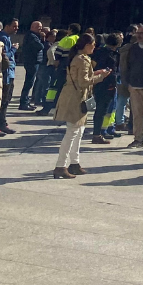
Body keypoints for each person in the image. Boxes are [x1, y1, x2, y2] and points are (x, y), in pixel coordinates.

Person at [52, 34, 111, 179]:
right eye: (92, 44)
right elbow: (84, 82)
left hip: (74, 96)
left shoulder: (78, 57)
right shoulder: (82, 60)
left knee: (78, 131)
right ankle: (61, 165)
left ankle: (74, 163)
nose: (94, 47)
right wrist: (101, 77)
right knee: (72, 132)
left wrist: (95, 73)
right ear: (86, 45)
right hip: (76, 98)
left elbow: (80, 77)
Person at [39, 23, 80, 117]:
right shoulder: (79, 40)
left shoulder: (66, 39)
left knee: (54, 88)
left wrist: (56, 64)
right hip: (73, 68)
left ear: (70, 29)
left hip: (62, 67)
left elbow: (58, 54)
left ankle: (48, 108)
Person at [90, 33, 121, 144]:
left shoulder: (97, 52)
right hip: (109, 85)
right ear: (117, 44)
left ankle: (97, 132)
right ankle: (98, 134)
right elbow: (115, 71)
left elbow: (92, 66)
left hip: (97, 82)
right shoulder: (114, 55)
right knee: (103, 110)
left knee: (100, 109)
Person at [0, 20, 18, 135]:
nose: (16, 29)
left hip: (10, 72)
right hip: (6, 73)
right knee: (3, 101)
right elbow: (5, 55)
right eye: (14, 26)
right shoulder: (3, 38)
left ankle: (2, 123)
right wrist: (14, 49)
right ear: (7, 26)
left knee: (6, 100)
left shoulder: (6, 37)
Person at [16, 21, 45, 111]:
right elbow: (40, 46)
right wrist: (42, 38)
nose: (40, 29)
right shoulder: (32, 36)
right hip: (31, 62)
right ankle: (23, 103)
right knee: (29, 83)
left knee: (30, 82)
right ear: (33, 27)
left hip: (34, 61)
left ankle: (26, 102)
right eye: (38, 27)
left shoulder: (34, 35)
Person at [35, 30, 58, 114]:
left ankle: (38, 100)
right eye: (53, 36)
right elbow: (50, 53)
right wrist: (53, 62)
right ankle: (42, 101)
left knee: (41, 84)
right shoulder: (48, 45)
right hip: (45, 66)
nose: (54, 38)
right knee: (45, 85)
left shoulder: (49, 44)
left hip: (44, 66)